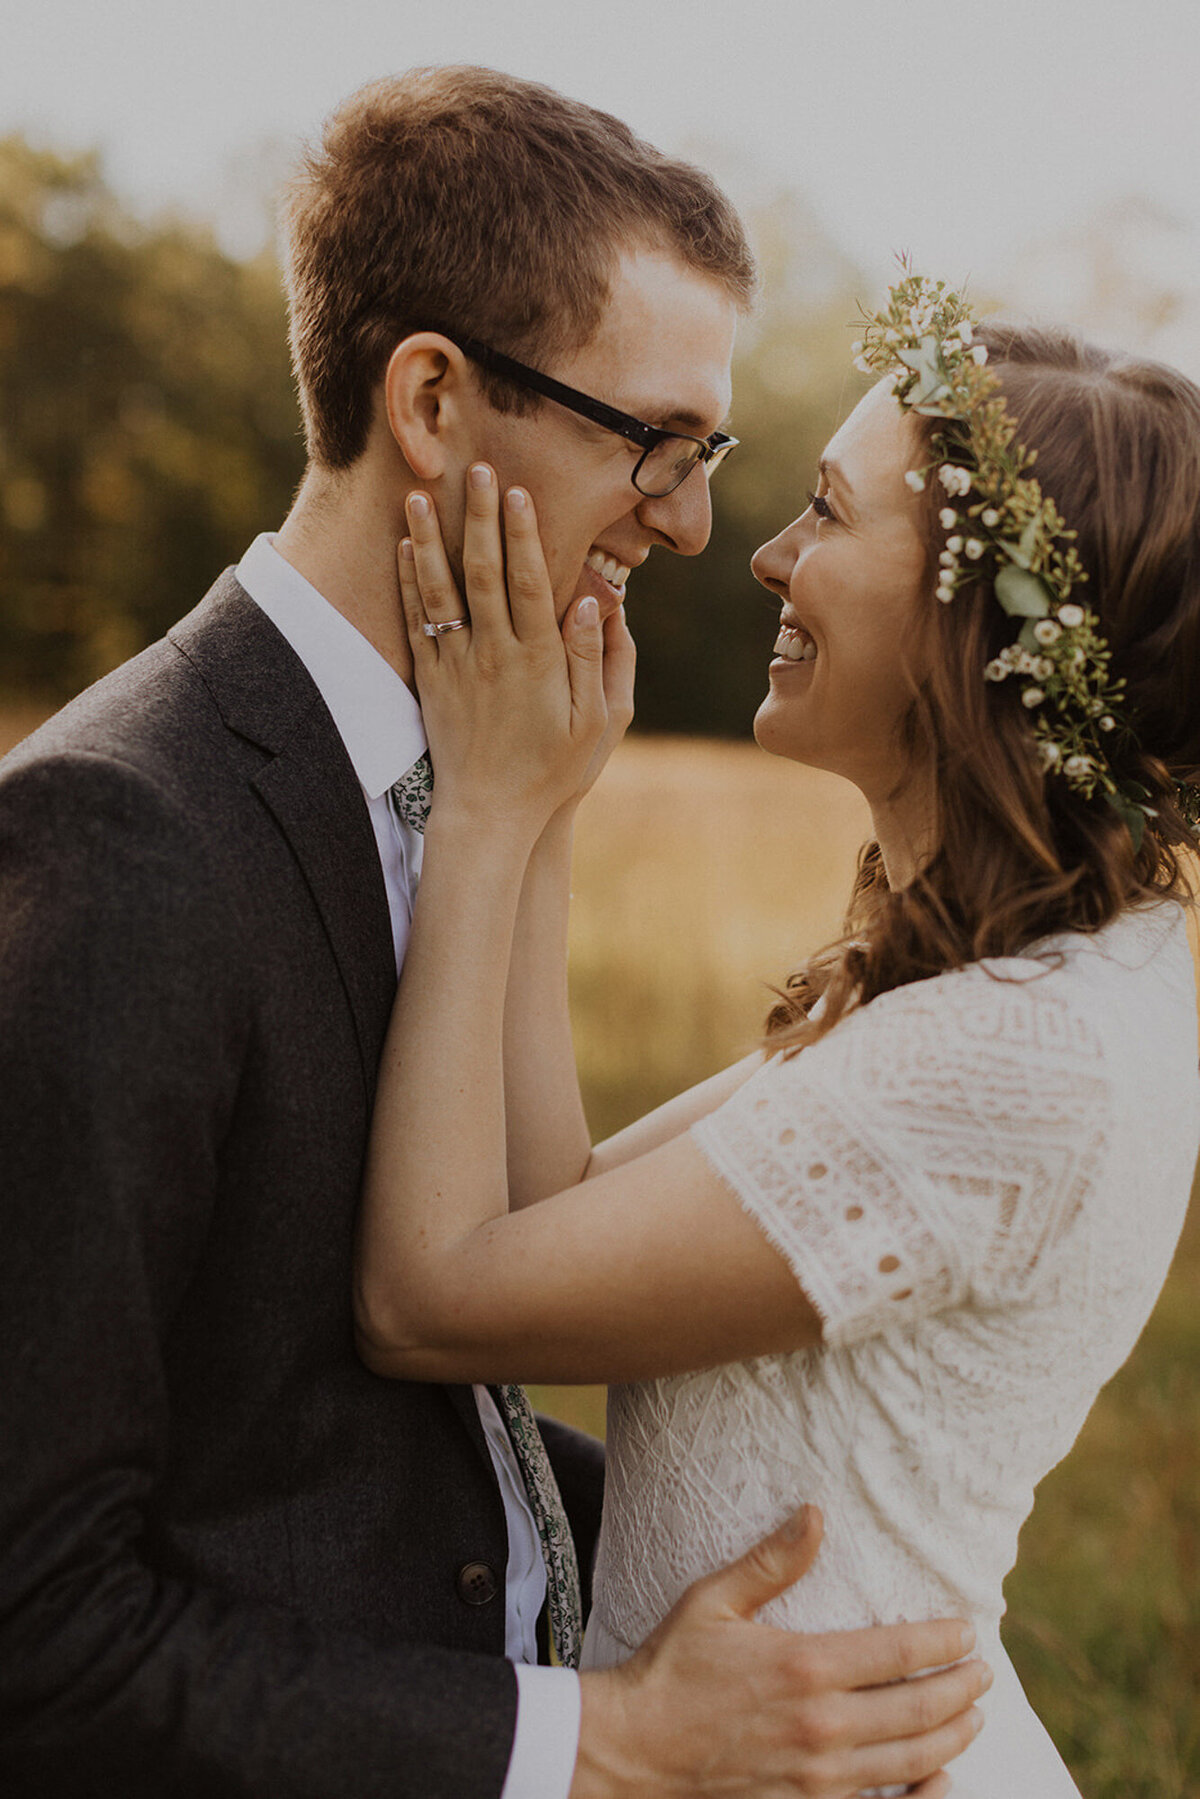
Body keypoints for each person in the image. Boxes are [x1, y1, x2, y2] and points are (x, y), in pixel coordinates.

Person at [0, 75, 988, 1799]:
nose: (690, 523)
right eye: (652, 442)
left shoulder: (469, 783)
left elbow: (406, 1414)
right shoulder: (120, 838)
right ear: (437, 401)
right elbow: (39, 1629)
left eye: (714, 458)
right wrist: (606, 1741)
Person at [353, 272, 1200, 1799]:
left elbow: (429, 1298)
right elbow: (552, 1222)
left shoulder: (1017, 1057)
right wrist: (544, 810)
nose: (765, 555)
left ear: (968, 624)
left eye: (824, 509)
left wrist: (477, 813)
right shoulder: (1003, 969)